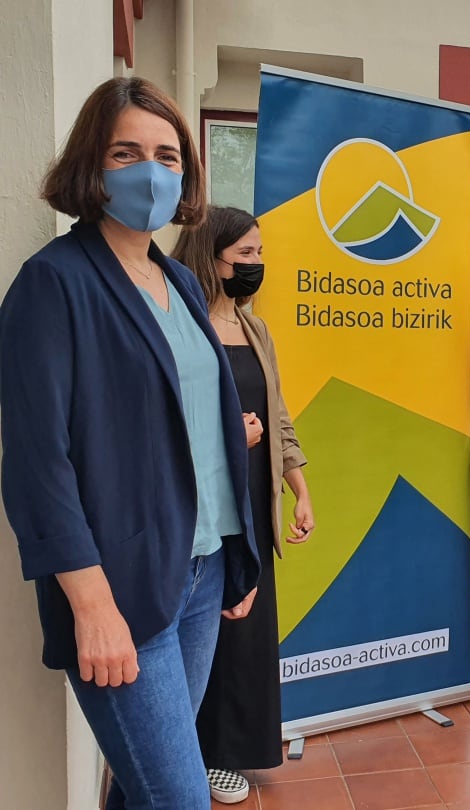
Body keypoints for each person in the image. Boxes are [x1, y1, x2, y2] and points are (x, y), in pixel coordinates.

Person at [0, 77, 260, 810]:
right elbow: (36, 462)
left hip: (202, 576)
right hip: (119, 587)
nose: (152, 169)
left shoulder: (179, 281)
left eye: (168, 155)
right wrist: (90, 605)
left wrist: (234, 554)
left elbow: (195, 420)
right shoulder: (53, 284)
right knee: (179, 799)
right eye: (127, 152)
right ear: (92, 165)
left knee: (141, 790)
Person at [171, 205, 315, 803]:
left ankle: (238, 748)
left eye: (260, 253)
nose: (258, 265)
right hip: (204, 503)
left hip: (255, 501)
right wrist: (234, 434)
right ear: (212, 257)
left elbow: (277, 416)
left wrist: (300, 486)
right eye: (246, 255)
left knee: (249, 630)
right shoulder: (179, 323)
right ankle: (203, 755)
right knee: (213, 630)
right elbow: (169, 416)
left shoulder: (256, 329)